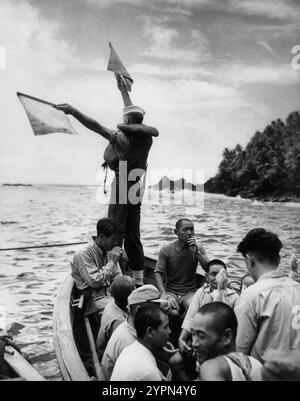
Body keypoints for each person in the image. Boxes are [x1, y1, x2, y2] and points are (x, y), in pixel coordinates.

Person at [55, 77, 158, 287]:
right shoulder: (145, 139)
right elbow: (131, 112)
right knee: (133, 234)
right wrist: (123, 91)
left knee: (114, 232)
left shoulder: (120, 138)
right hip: (137, 185)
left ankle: (115, 280)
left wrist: (72, 111)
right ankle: (138, 280)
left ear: (127, 122)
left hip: (122, 183)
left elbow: (94, 125)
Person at [235, 228, 300, 362]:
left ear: (249, 260)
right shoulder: (297, 288)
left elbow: (239, 352)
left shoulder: (251, 295)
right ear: (278, 259)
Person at [100, 284, 166, 381]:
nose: (158, 312)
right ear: (138, 310)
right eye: (154, 309)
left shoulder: (128, 325)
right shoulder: (129, 342)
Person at [179, 259, 239, 355]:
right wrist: (182, 339)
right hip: (200, 340)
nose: (217, 278)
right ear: (206, 277)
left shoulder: (234, 298)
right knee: (175, 361)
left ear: (226, 276)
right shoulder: (201, 293)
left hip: (221, 345)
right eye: (213, 274)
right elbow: (190, 318)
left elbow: (236, 327)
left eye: (221, 274)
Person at [192, 303, 262, 381]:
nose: (194, 343)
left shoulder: (211, 367)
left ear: (227, 336)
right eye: (193, 334)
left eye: (201, 336)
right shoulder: (256, 365)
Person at [154, 218, 209, 316]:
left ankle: (183, 325)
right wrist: (163, 293)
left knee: (194, 308)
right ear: (176, 232)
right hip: (171, 291)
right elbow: (158, 272)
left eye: (191, 229)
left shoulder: (198, 248)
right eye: (185, 229)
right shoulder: (166, 249)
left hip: (190, 292)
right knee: (171, 311)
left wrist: (197, 253)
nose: (189, 233)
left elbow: (209, 269)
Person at [71, 217, 124, 315]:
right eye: (113, 239)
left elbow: (118, 279)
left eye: (117, 240)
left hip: (110, 296)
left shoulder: (109, 250)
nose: (116, 243)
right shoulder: (83, 254)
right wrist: (111, 262)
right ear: (102, 236)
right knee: (121, 310)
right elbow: (95, 282)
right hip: (93, 301)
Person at [110, 302, 170, 381]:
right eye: (165, 327)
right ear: (150, 332)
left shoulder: (130, 349)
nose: (169, 331)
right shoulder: (149, 371)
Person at [96, 275, 135, 356]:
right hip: (105, 353)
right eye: (133, 289)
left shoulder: (110, 304)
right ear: (128, 297)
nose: (136, 290)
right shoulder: (119, 321)